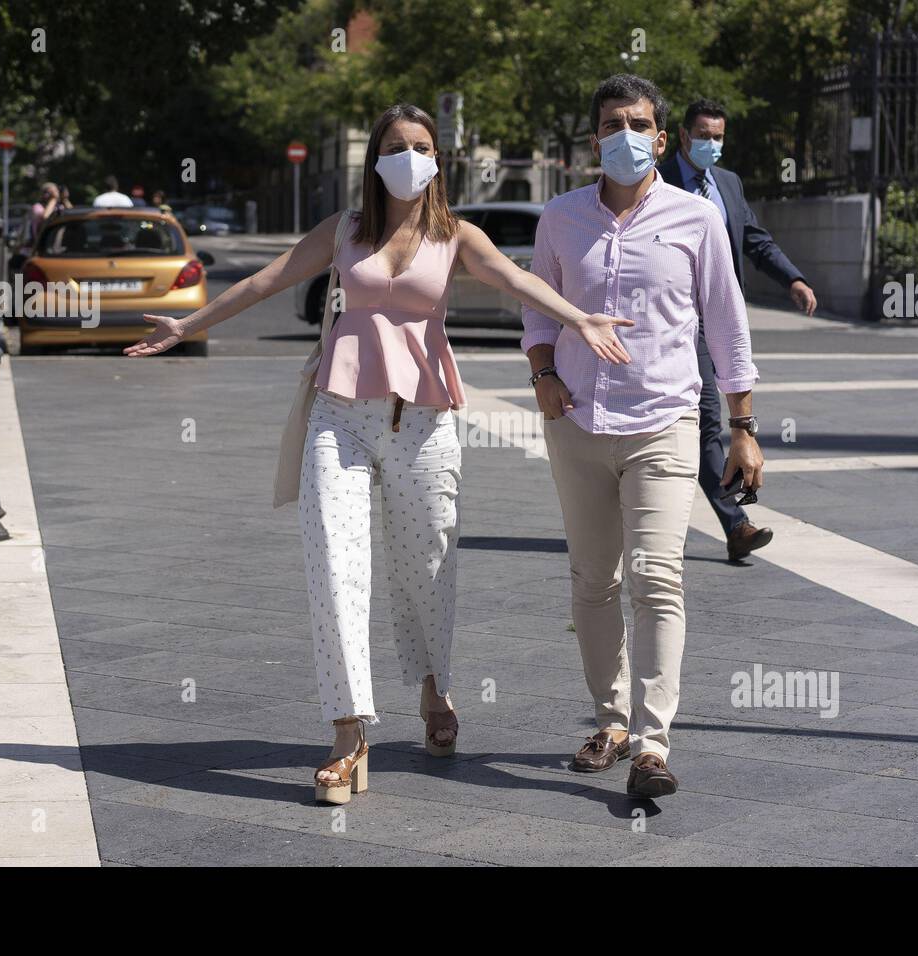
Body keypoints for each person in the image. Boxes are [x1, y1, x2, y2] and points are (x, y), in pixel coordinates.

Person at [124, 103, 632, 805]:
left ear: (437, 160)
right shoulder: (345, 231)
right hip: (340, 417)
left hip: (424, 422)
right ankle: (347, 732)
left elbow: (520, 283)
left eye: (422, 146)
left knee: (427, 567)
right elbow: (263, 281)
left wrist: (579, 318)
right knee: (334, 561)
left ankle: (434, 687)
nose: (410, 156)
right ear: (376, 160)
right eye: (396, 146)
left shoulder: (456, 236)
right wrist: (186, 325)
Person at [523, 75, 763, 798]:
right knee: (596, 581)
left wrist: (745, 428)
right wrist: (543, 377)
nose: (625, 134)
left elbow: (727, 324)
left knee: (659, 578)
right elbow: (538, 314)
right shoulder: (560, 218)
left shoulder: (695, 219)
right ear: (593, 139)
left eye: (638, 123)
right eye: (611, 123)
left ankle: (653, 744)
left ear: (661, 138)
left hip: (664, 423)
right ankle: (612, 720)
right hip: (578, 426)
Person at [659, 99, 815, 561]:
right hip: (673, 318)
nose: (711, 144)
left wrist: (793, 278)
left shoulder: (728, 183)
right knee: (706, 421)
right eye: (703, 135)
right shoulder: (657, 180)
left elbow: (753, 239)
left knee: (702, 423)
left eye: (718, 136)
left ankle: (719, 523)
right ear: (684, 137)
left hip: (718, 320)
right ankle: (735, 524)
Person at [10, 182, 60, 271]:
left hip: (54, 250)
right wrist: (53, 200)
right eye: (50, 192)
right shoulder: (37, 207)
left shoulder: (58, 207)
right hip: (35, 250)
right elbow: (45, 217)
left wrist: (64, 199)